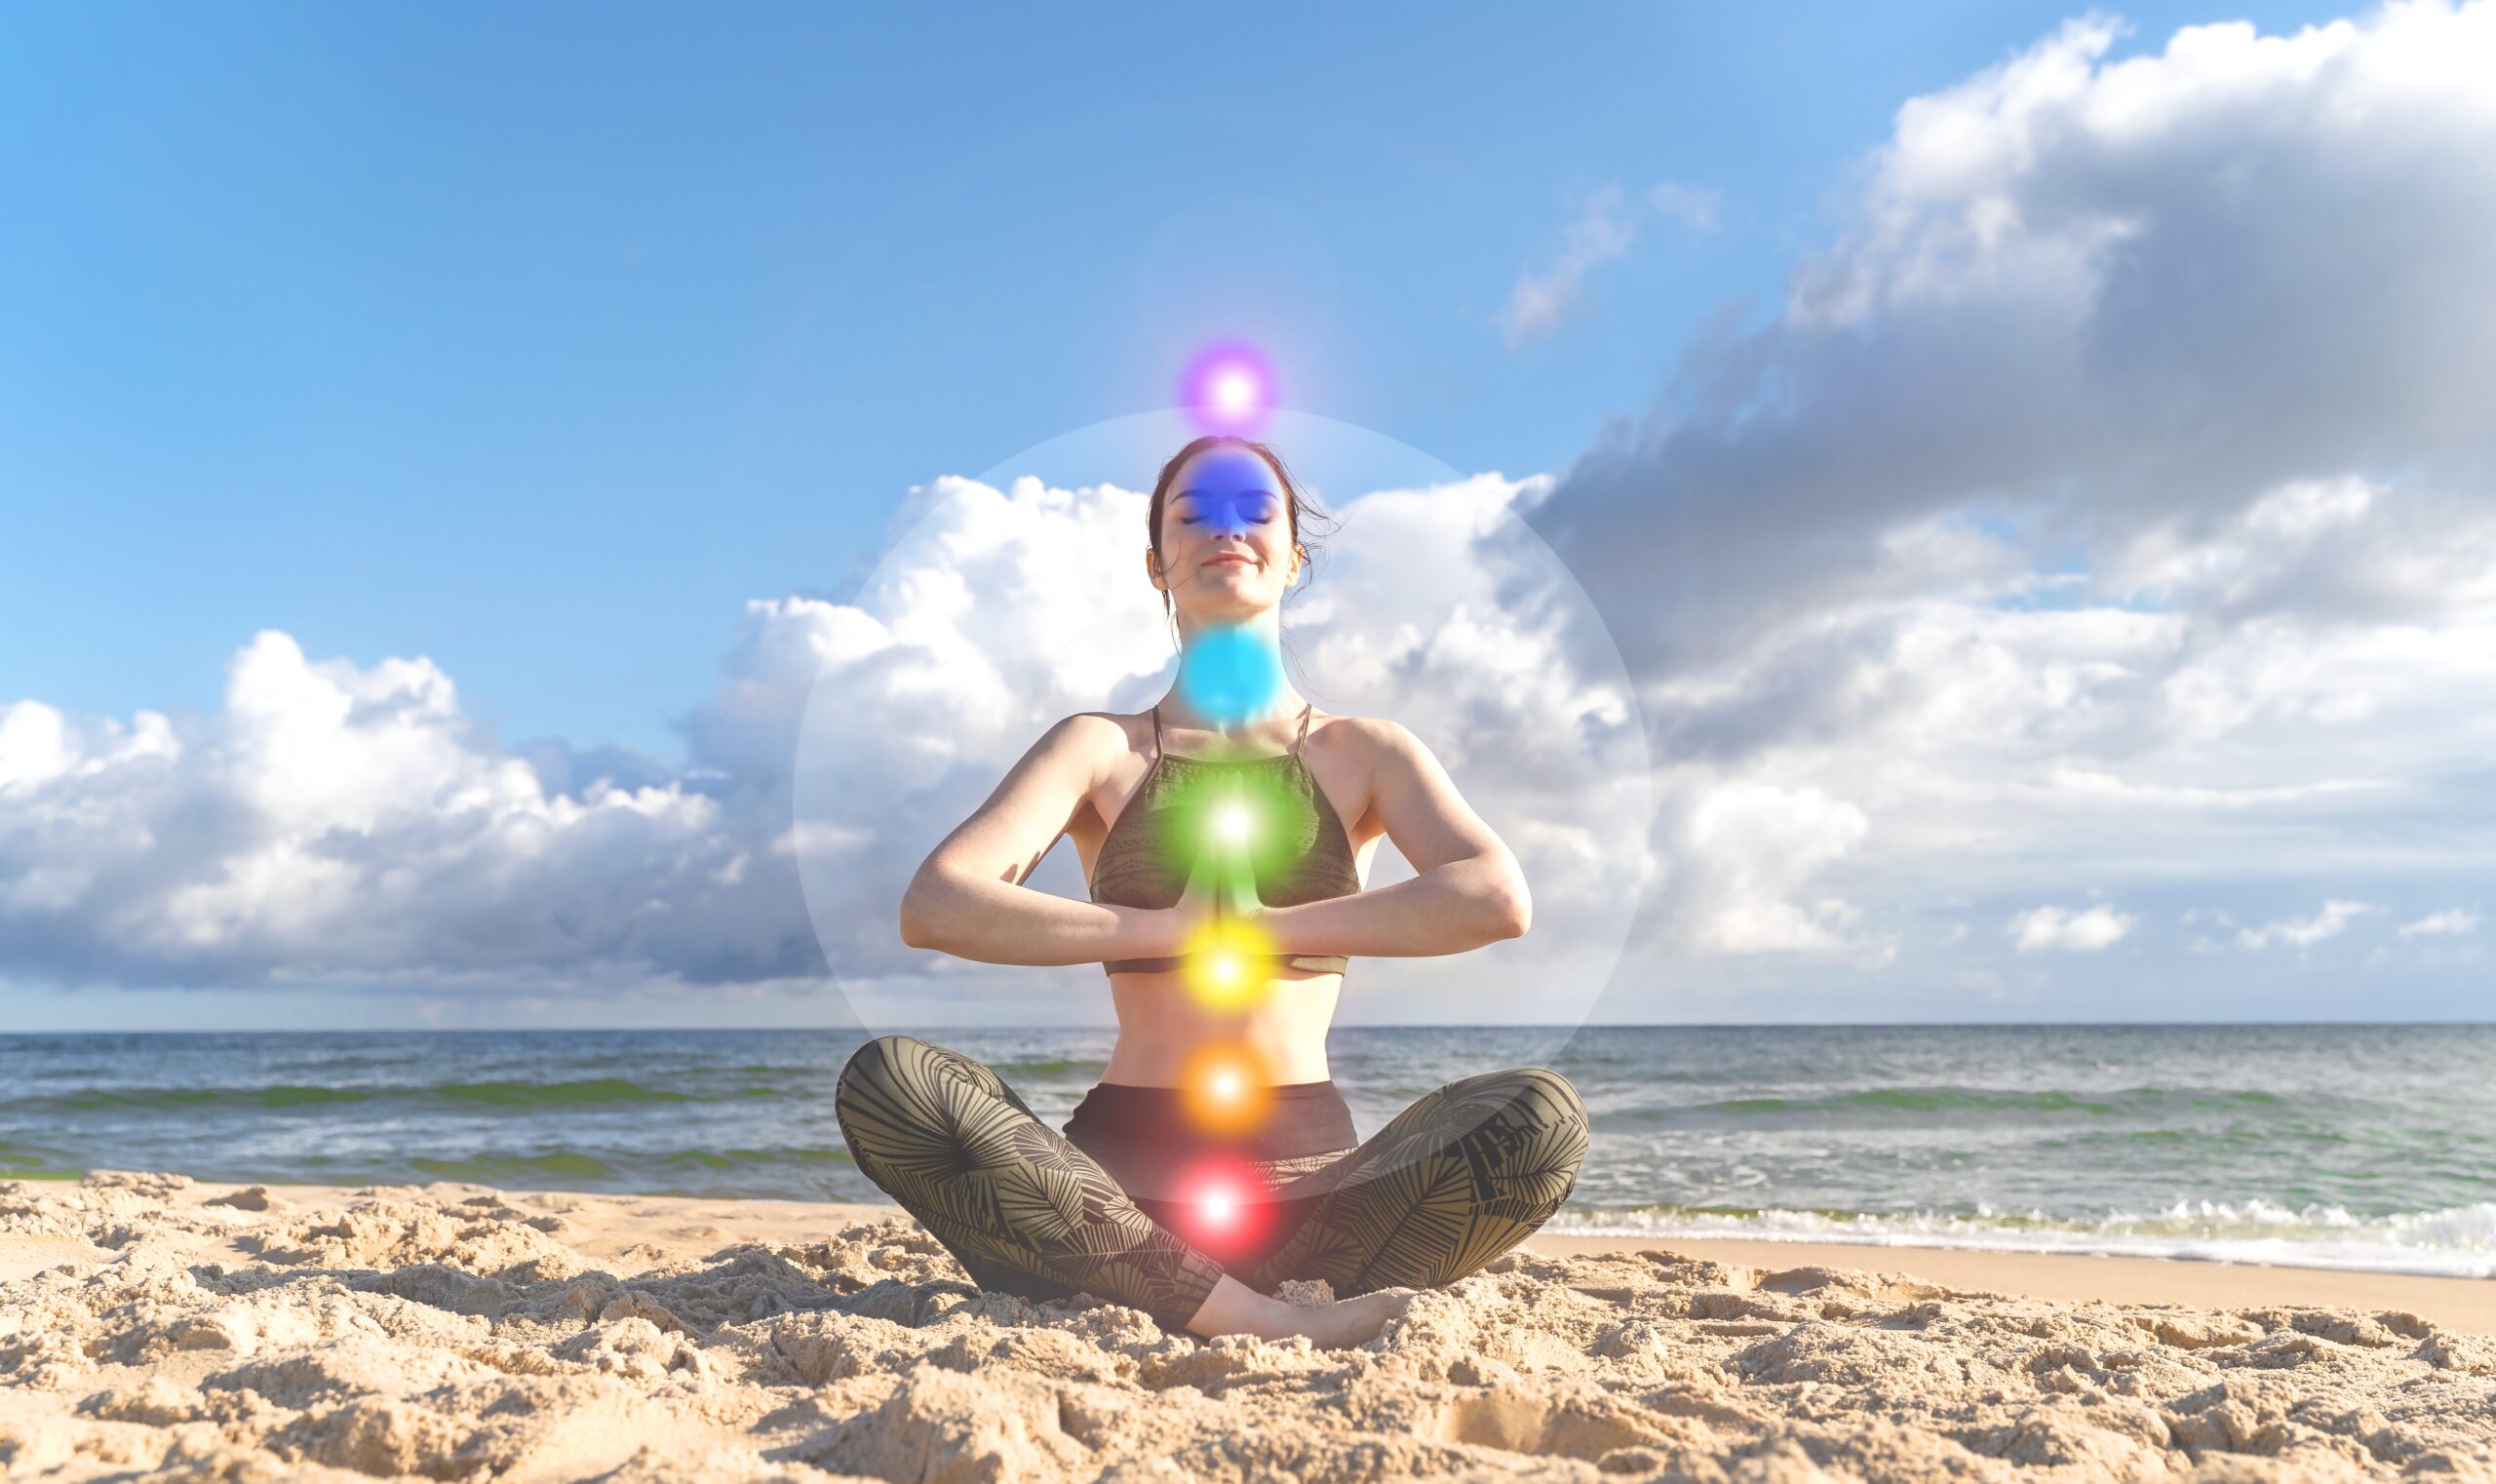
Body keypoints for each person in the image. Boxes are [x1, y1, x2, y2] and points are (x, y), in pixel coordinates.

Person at [835, 434, 1589, 1347]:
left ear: (1294, 557)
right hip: (1107, 1210)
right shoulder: (1100, 749)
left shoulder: (1363, 752)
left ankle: (1225, 1304)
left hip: (1315, 1208)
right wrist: (1168, 929)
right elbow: (938, 903)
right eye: (1192, 516)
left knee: (1540, 1117)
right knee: (888, 1082)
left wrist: (1265, 929)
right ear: (1158, 564)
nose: (1223, 530)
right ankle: (1256, 1316)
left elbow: (1494, 897)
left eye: (1254, 512)